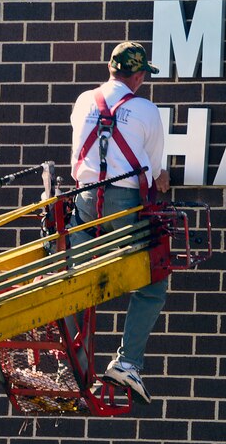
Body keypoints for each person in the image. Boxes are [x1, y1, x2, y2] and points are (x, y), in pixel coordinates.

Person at [68, 41, 170, 404]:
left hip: (84, 201)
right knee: (152, 285)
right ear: (139, 75)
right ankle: (127, 362)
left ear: (111, 69)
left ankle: (71, 363)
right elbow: (155, 170)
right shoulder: (145, 109)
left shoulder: (84, 101)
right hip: (124, 206)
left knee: (73, 280)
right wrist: (161, 179)